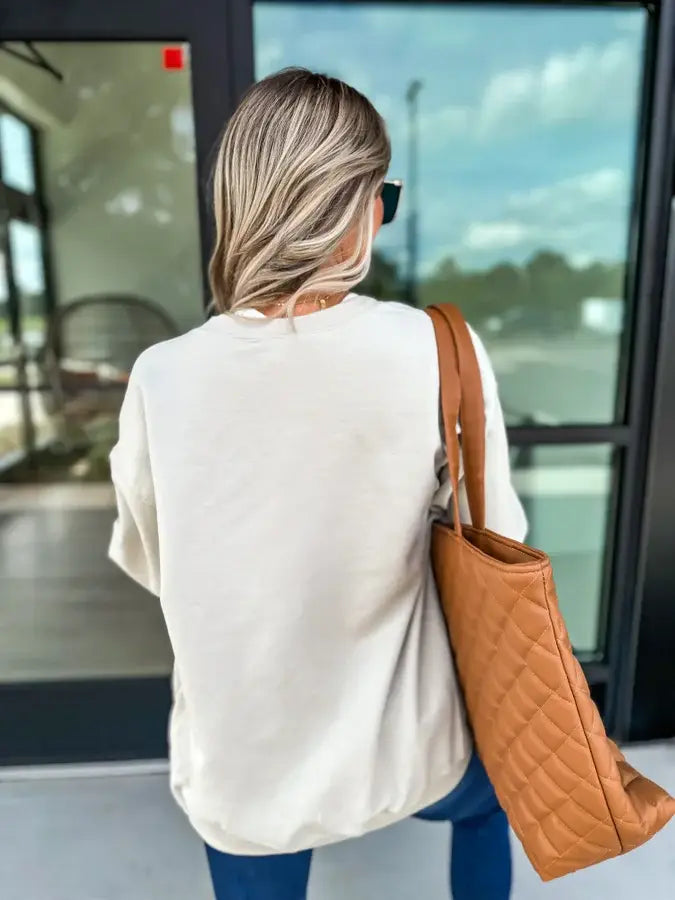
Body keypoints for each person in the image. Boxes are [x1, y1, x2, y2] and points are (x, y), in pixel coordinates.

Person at [109, 68, 527, 900]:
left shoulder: (163, 377)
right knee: (488, 806)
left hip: (242, 749)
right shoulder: (435, 349)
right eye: (382, 193)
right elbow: (500, 541)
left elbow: (152, 561)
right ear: (354, 207)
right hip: (406, 742)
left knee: (252, 839)